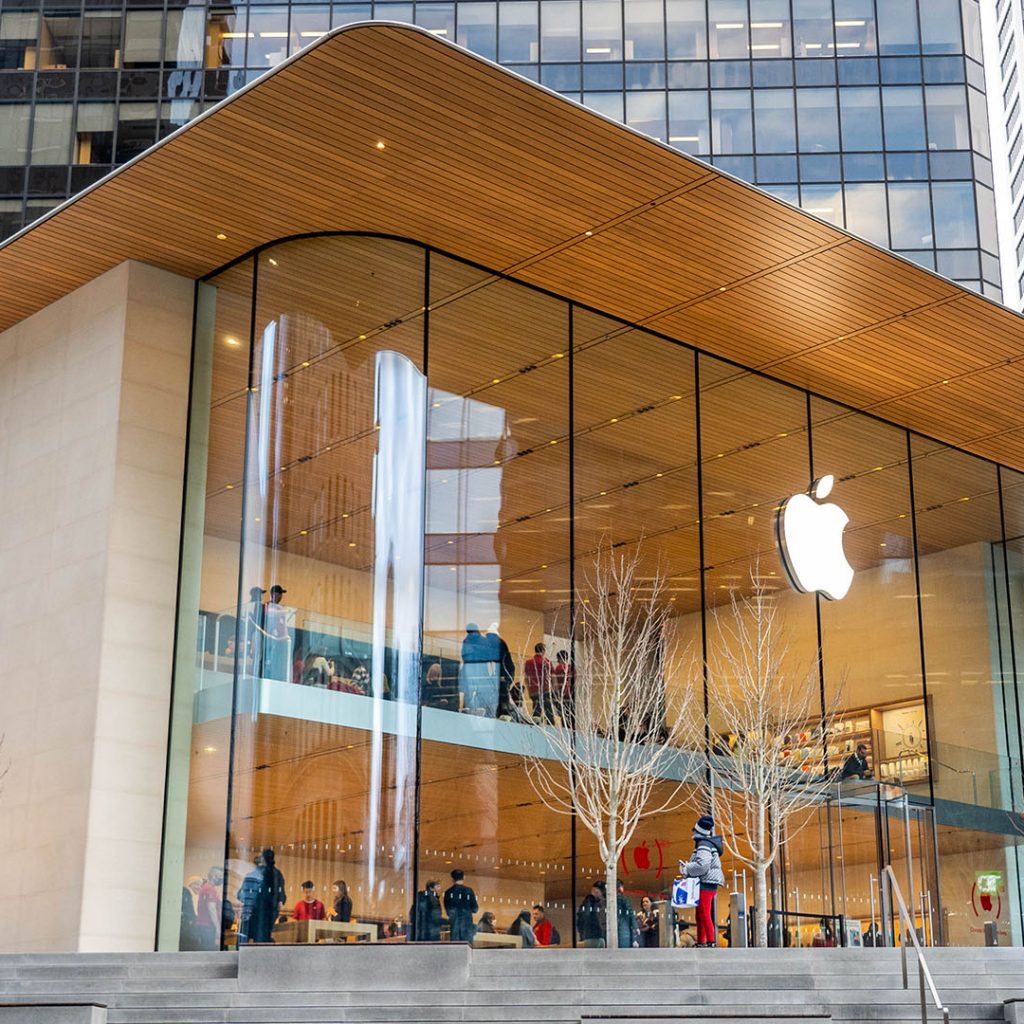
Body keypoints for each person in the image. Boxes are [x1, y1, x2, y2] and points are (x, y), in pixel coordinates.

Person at [679, 815, 724, 948]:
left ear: (698, 831)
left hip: (706, 883)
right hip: (708, 882)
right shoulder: (706, 844)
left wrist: (687, 868)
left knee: (704, 913)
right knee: (700, 914)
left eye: (694, 830)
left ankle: (710, 941)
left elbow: (703, 865)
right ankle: (702, 941)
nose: (692, 833)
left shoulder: (703, 844)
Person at [237, 848, 286, 944]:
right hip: (267, 912)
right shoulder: (276, 874)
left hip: (252, 911)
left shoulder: (253, 876)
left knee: (243, 941)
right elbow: (280, 896)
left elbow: (240, 895)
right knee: (261, 939)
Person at [460, 624, 497, 715]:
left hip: (469, 669)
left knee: (468, 693)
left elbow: (464, 656)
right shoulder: (484, 641)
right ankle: (482, 711)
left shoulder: (466, 641)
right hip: (481, 669)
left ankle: (467, 711)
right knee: (481, 693)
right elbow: (490, 656)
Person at [263, 585, 292, 681]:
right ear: (274, 594)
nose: (280, 597)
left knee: (280, 662)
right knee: (271, 661)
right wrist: (284, 611)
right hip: (272, 639)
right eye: (279, 594)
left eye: (281, 595)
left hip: (282, 640)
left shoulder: (280, 607)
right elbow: (269, 613)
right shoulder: (268, 606)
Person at [443, 869, 479, 943]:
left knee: (455, 947)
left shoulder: (448, 892)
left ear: (452, 879)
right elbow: (475, 909)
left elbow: (448, 912)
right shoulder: (469, 891)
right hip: (467, 925)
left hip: (455, 926)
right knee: (467, 947)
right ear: (464, 877)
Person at [196, 867, 224, 950]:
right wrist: (218, 928)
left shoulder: (206, 887)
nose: (222, 879)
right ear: (214, 876)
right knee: (208, 950)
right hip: (207, 926)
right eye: (220, 876)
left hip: (204, 926)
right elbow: (212, 909)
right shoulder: (210, 889)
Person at [523, 643, 553, 721]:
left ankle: (536, 724)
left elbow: (526, 677)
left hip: (534, 690)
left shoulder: (528, 662)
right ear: (543, 650)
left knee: (536, 710)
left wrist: (529, 690)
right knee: (549, 711)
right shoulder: (547, 662)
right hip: (545, 689)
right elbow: (552, 677)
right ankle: (550, 726)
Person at [576, 880, 607, 948]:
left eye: (596, 892)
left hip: (590, 936)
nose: (594, 894)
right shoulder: (590, 902)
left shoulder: (589, 902)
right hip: (596, 936)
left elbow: (581, 918)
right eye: (593, 891)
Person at [551, 650, 575, 727]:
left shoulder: (558, 668)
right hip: (571, 695)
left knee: (562, 715)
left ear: (560, 658)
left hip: (561, 695)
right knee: (569, 715)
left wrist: (555, 695)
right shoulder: (571, 668)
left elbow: (555, 682)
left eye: (557, 658)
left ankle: (565, 728)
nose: (557, 660)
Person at [616, 880, 639, 948]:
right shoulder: (623, 899)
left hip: (620, 929)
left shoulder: (606, 900)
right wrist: (635, 926)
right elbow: (630, 913)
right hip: (623, 929)